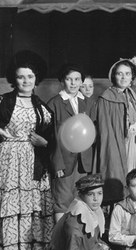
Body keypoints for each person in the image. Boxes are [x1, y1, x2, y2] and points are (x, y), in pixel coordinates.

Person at [0, 50, 54, 250]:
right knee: (7, 209)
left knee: (31, 209)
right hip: (8, 160)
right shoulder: (3, 101)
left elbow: (52, 137)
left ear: (36, 78)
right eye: (21, 77)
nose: (26, 81)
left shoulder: (42, 107)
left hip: (33, 163)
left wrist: (44, 142)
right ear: (14, 79)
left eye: (30, 77)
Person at [49, 174, 128, 250]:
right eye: (91, 194)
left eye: (99, 193)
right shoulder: (75, 220)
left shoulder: (89, 208)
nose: (96, 199)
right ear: (81, 195)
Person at [92, 58, 136, 204]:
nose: (123, 77)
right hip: (117, 144)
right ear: (113, 76)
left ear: (132, 77)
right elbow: (105, 130)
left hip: (133, 143)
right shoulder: (106, 98)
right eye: (120, 74)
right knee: (118, 177)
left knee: (132, 180)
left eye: (127, 74)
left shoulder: (133, 95)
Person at [48, 63, 93, 222]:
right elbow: (52, 137)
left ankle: (76, 241)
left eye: (77, 79)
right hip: (64, 163)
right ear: (62, 81)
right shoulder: (54, 103)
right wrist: (57, 163)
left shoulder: (87, 102)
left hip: (83, 162)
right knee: (62, 202)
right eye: (69, 79)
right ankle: (60, 242)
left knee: (80, 201)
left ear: (82, 81)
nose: (73, 83)